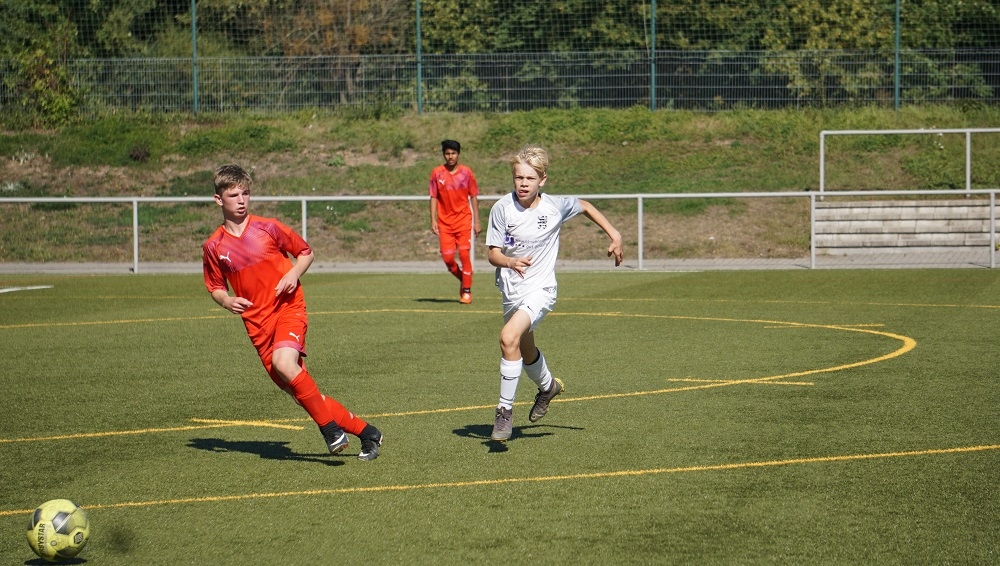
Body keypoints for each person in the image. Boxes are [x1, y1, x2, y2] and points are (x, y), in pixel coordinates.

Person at [202, 164, 383, 461]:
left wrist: (293, 273)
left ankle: (330, 431)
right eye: (234, 195)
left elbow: (305, 252)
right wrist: (226, 301)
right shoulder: (214, 246)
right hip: (257, 326)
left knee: (284, 363)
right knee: (304, 396)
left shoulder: (268, 227)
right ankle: (368, 433)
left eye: (246, 193)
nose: (242, 200)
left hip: (288, 308)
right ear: (218, 200)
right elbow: (215, 286)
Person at [484, 145, 624, 442]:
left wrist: (615, 234)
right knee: (524, 349)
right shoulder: (502, 209)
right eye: (519, 177)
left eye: (530, 178)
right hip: (512, 289)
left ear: (542, 180)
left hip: (541, 289)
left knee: (508, 338)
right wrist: (509, 261)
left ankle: (504, 412)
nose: (523, 183)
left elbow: (584, 205)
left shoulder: (553, 207)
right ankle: (548, 387)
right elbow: (493, 254)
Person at [429, 139, 481, 304]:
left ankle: (466, 291)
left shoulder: (466, 172)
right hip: (444, 223)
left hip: (463, 220)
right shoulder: (437, 173)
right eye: (447, 153)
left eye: (453, 153)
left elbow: (473, 196)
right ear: (443, 155)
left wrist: (477, 221)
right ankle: (464, 279)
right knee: (448, 259)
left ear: (458, 154)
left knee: (464, 255)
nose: (450, 156)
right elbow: (433, 197)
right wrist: (433, 219)